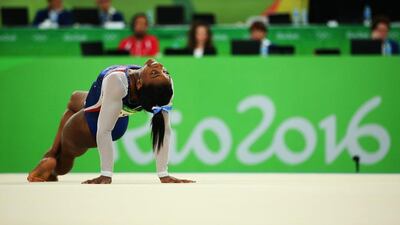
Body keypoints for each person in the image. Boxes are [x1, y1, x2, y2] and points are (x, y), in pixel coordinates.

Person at [27, 59, 194, 184]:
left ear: (140, 83)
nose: (159, 67)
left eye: (155, 73)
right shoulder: (166, 85)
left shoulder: (118, 81)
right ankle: (50, 154)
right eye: (163, 71)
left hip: (93, 124)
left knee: (66, 155)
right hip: (100, 106)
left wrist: (106, 174)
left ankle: (54, 166)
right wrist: (163, 174)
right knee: (74, 99)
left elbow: (106, 130)